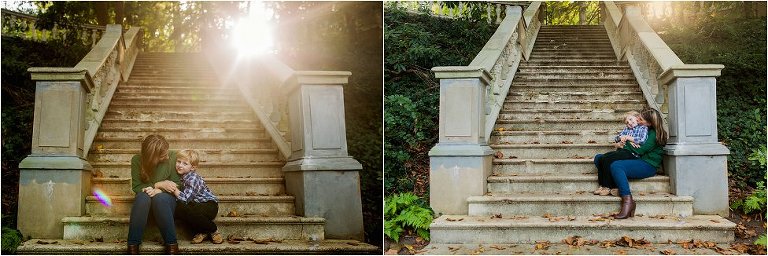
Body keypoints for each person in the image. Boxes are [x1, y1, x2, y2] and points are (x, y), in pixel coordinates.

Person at [606, 108, 667, 219]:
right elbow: (624, 142)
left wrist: (626, 141)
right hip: (639, 160)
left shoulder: (653, 134)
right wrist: (621, 143)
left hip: (648, 165)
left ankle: (628, 201)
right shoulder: (643, 129)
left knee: (617, 165)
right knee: (600, 158)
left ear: (649, 122)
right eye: (638, 117)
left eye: (641, 119)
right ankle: (614, 186)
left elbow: (640, 150)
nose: (638, 120)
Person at [127, 134, 182, 254]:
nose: (167, 156)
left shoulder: (173, 156)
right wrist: (158, 184)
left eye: (167, 152)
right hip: (145, 203)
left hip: (165, 203)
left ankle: (172, 246)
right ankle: (132, 246)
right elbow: (136, 187)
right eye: (163, 155)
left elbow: (177, 183)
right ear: (152, 157)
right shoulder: (136, 160)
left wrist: (159, 190)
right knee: (142, 197)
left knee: (160, 198)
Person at [169, 149, 224, 244]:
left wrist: (174, 190)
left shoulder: (192, 178)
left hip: (209, 205)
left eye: (185, 163)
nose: (180, 165)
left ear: (193, 167)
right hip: (195, 204)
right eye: (178, 161)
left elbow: (185, 198)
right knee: (182, 210)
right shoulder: (181, 176)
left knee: (187, 210)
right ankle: (203, 232)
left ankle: (213, 229)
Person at [593, 111, 649, 196]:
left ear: (637, 117)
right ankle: (602, 185)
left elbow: (641, 140)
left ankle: (607, 187)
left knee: (608, 159)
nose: (629, 123)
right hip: (622, 150)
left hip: (632, 153)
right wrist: (621, 139)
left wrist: (627, 137)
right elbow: (616, 138)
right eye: (627, 122)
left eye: (631, 119)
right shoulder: (627, 129)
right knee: (602, 158)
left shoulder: (643, 128)